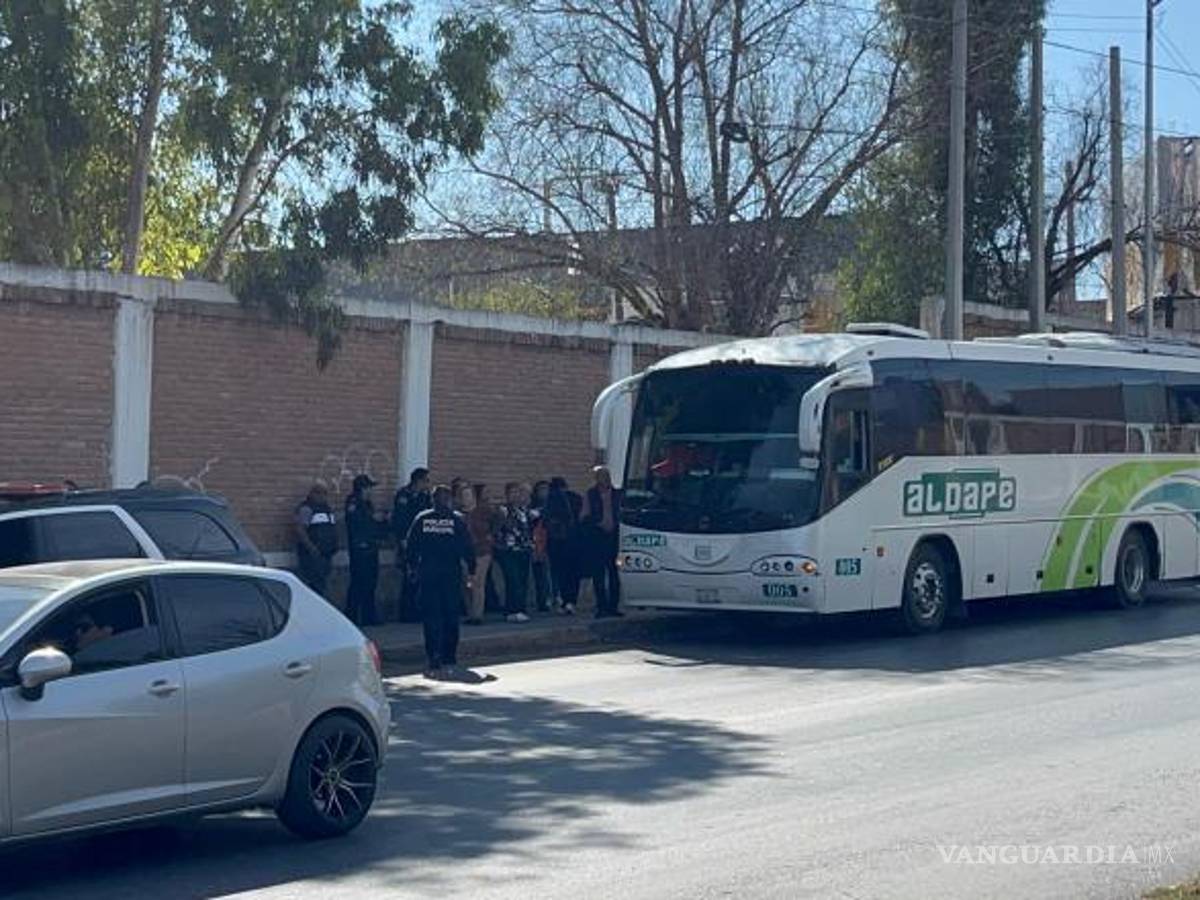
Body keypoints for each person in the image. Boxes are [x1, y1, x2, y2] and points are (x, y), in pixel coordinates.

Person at [407, 485, 476, 679]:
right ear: (449, 500)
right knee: (450, 615)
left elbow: (411, 546)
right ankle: (449, 656)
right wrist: (472, 570)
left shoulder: (422, 519)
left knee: (431, 617)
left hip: (428, 573)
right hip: (450, 574)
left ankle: (433, 656)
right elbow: (468, 546)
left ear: (432, 500)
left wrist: (411, 568)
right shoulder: (456, 520)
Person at [582, 466, 623, 618]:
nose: (603, 479)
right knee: (598, 573)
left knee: (614, 572)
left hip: (615, 538)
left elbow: (622, 512)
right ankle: (601, 607)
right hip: (597, 538)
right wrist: (597, 522)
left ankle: (614, 606)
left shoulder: (618, 494)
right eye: (599, 476)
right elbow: (584, 516)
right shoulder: (590, 495)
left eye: (605, 476)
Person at [392, 468, 432, 621]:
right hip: (408, 542)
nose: (428, 484)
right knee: (409, 576)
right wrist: (402, 540)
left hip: (422, 542)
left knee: (420, 576)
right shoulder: (404, 495)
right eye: (426, 481)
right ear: (419, 481)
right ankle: (407, 612)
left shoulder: (425, 496)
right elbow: (400, 519)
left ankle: (417, 609)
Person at [345, 474, 384, 626]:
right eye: (369, 488)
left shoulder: (367, 504)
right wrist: (363, 542)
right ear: (362, 488)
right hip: (360, 550)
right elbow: (357, 526)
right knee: (358, 583)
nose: (371, 491)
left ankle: (369, 616)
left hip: (371, 547)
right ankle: (351, 616)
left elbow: (371, 524)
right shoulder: (353, 503)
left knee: (370, 583)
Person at [494, 482, 533, 623]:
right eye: (513, 493)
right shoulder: (503, 510)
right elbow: (497, 528)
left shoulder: (524, 510)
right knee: (513, 579)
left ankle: (520, 609)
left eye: (518, 492)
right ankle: (512, 610)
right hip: (508, 550)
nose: (516, 496)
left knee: (523, 580)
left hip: (523, 549)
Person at [544, 477, 583, 615]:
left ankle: (560, 599)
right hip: (574, 540)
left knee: (559, 573)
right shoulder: (576, 498)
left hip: (557, 542)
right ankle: (571, 601)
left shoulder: (550, 499)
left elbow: (545, 519)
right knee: (573, 573)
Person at [463, 484, 500, 625]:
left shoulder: (483, 511)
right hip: (465, 553)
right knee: (467, 583)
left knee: (478, 582)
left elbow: (499, 519)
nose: (467, 499)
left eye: (469, 495)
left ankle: (477, 615)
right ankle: (469, 612)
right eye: (464, 496)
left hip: (482, 551)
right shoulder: (459, 514)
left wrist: (492, 534)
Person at [294, 481, 338, 596]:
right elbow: (300, 530)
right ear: (313, 493)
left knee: (322, 586)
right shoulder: (306, 509)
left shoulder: (327, 509)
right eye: (320, 493)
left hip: (326, 555)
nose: (324, 496)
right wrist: (312, 548)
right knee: (314, 588)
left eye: (325, 493)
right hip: (312, 557)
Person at [529, 480, 553, 613]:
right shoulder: (533, 508)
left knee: (548, 573)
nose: (544, 493)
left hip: (551, 543)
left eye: (546, 489)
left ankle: (551, 597)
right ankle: (542, 600)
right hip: (536, 542)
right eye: (541, 490)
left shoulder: (553, 506)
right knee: (540, 573)